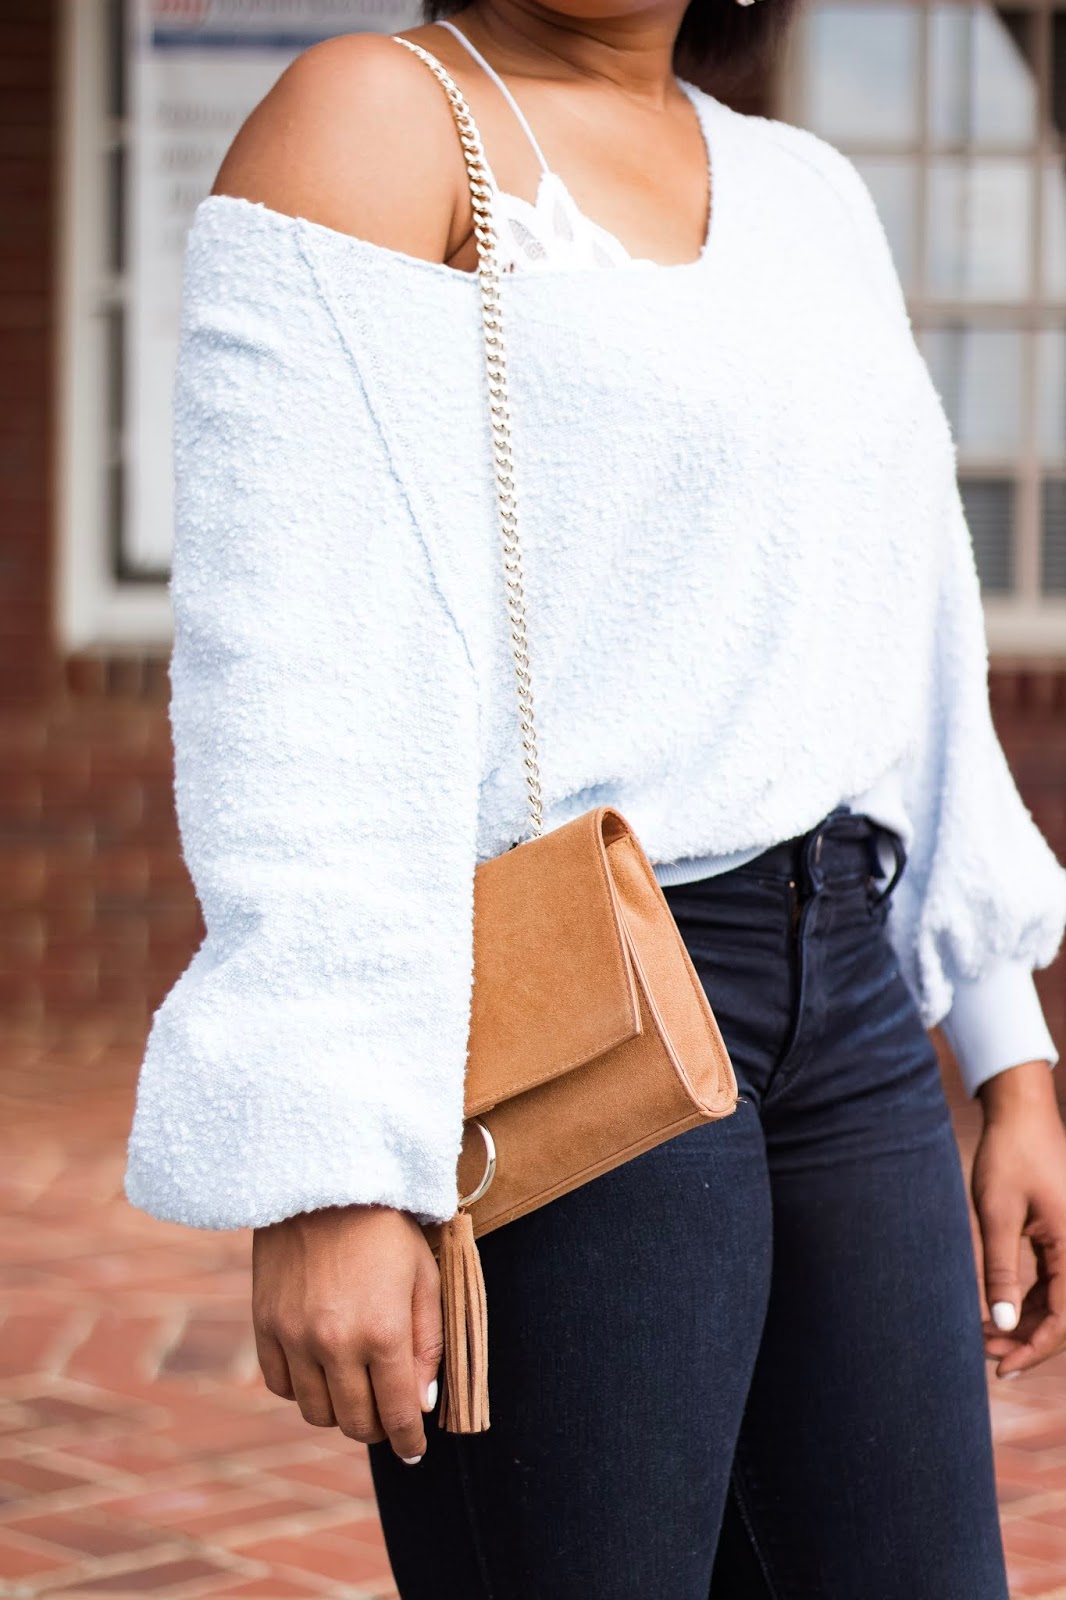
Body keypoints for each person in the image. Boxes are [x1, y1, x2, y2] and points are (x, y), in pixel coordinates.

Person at [125, 1, 1066, 1594]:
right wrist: (333, 1161)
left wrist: (1007, 1051)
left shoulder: (806, 193)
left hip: (847, 1004)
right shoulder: (379, 119)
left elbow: (908, 628)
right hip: (567, 997)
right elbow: (295, 666)